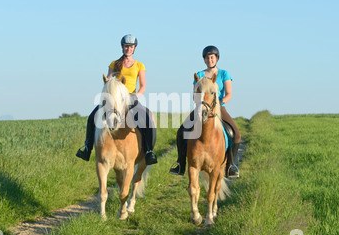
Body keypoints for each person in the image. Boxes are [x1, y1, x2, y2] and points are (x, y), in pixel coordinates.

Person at [76, 34, 158, 165]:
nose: (128, 49)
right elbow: (108, 82)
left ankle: (148, 151)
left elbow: (143, 86)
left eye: (131, 47)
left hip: (131, 97)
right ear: (122, 47)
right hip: (114, 98)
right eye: (126, 46)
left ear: (134, 48)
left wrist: (134, 96)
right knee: (92, 117)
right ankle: (87, 147)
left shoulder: (139, 65)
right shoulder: (114, 64)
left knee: (146, 119)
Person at [169, 45, 241, 177]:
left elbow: (229, 93)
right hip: (201, 107)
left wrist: (220, 102)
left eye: (212, 57)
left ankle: (231, 165)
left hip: (219, 107)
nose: (210, 60)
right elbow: (194, 94)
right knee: (181, 131)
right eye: (207, 58)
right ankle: (180, 164)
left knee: (235, 134)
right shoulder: (199, 75)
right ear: (204, 60)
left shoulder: (224, 74)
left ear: (217, 58)